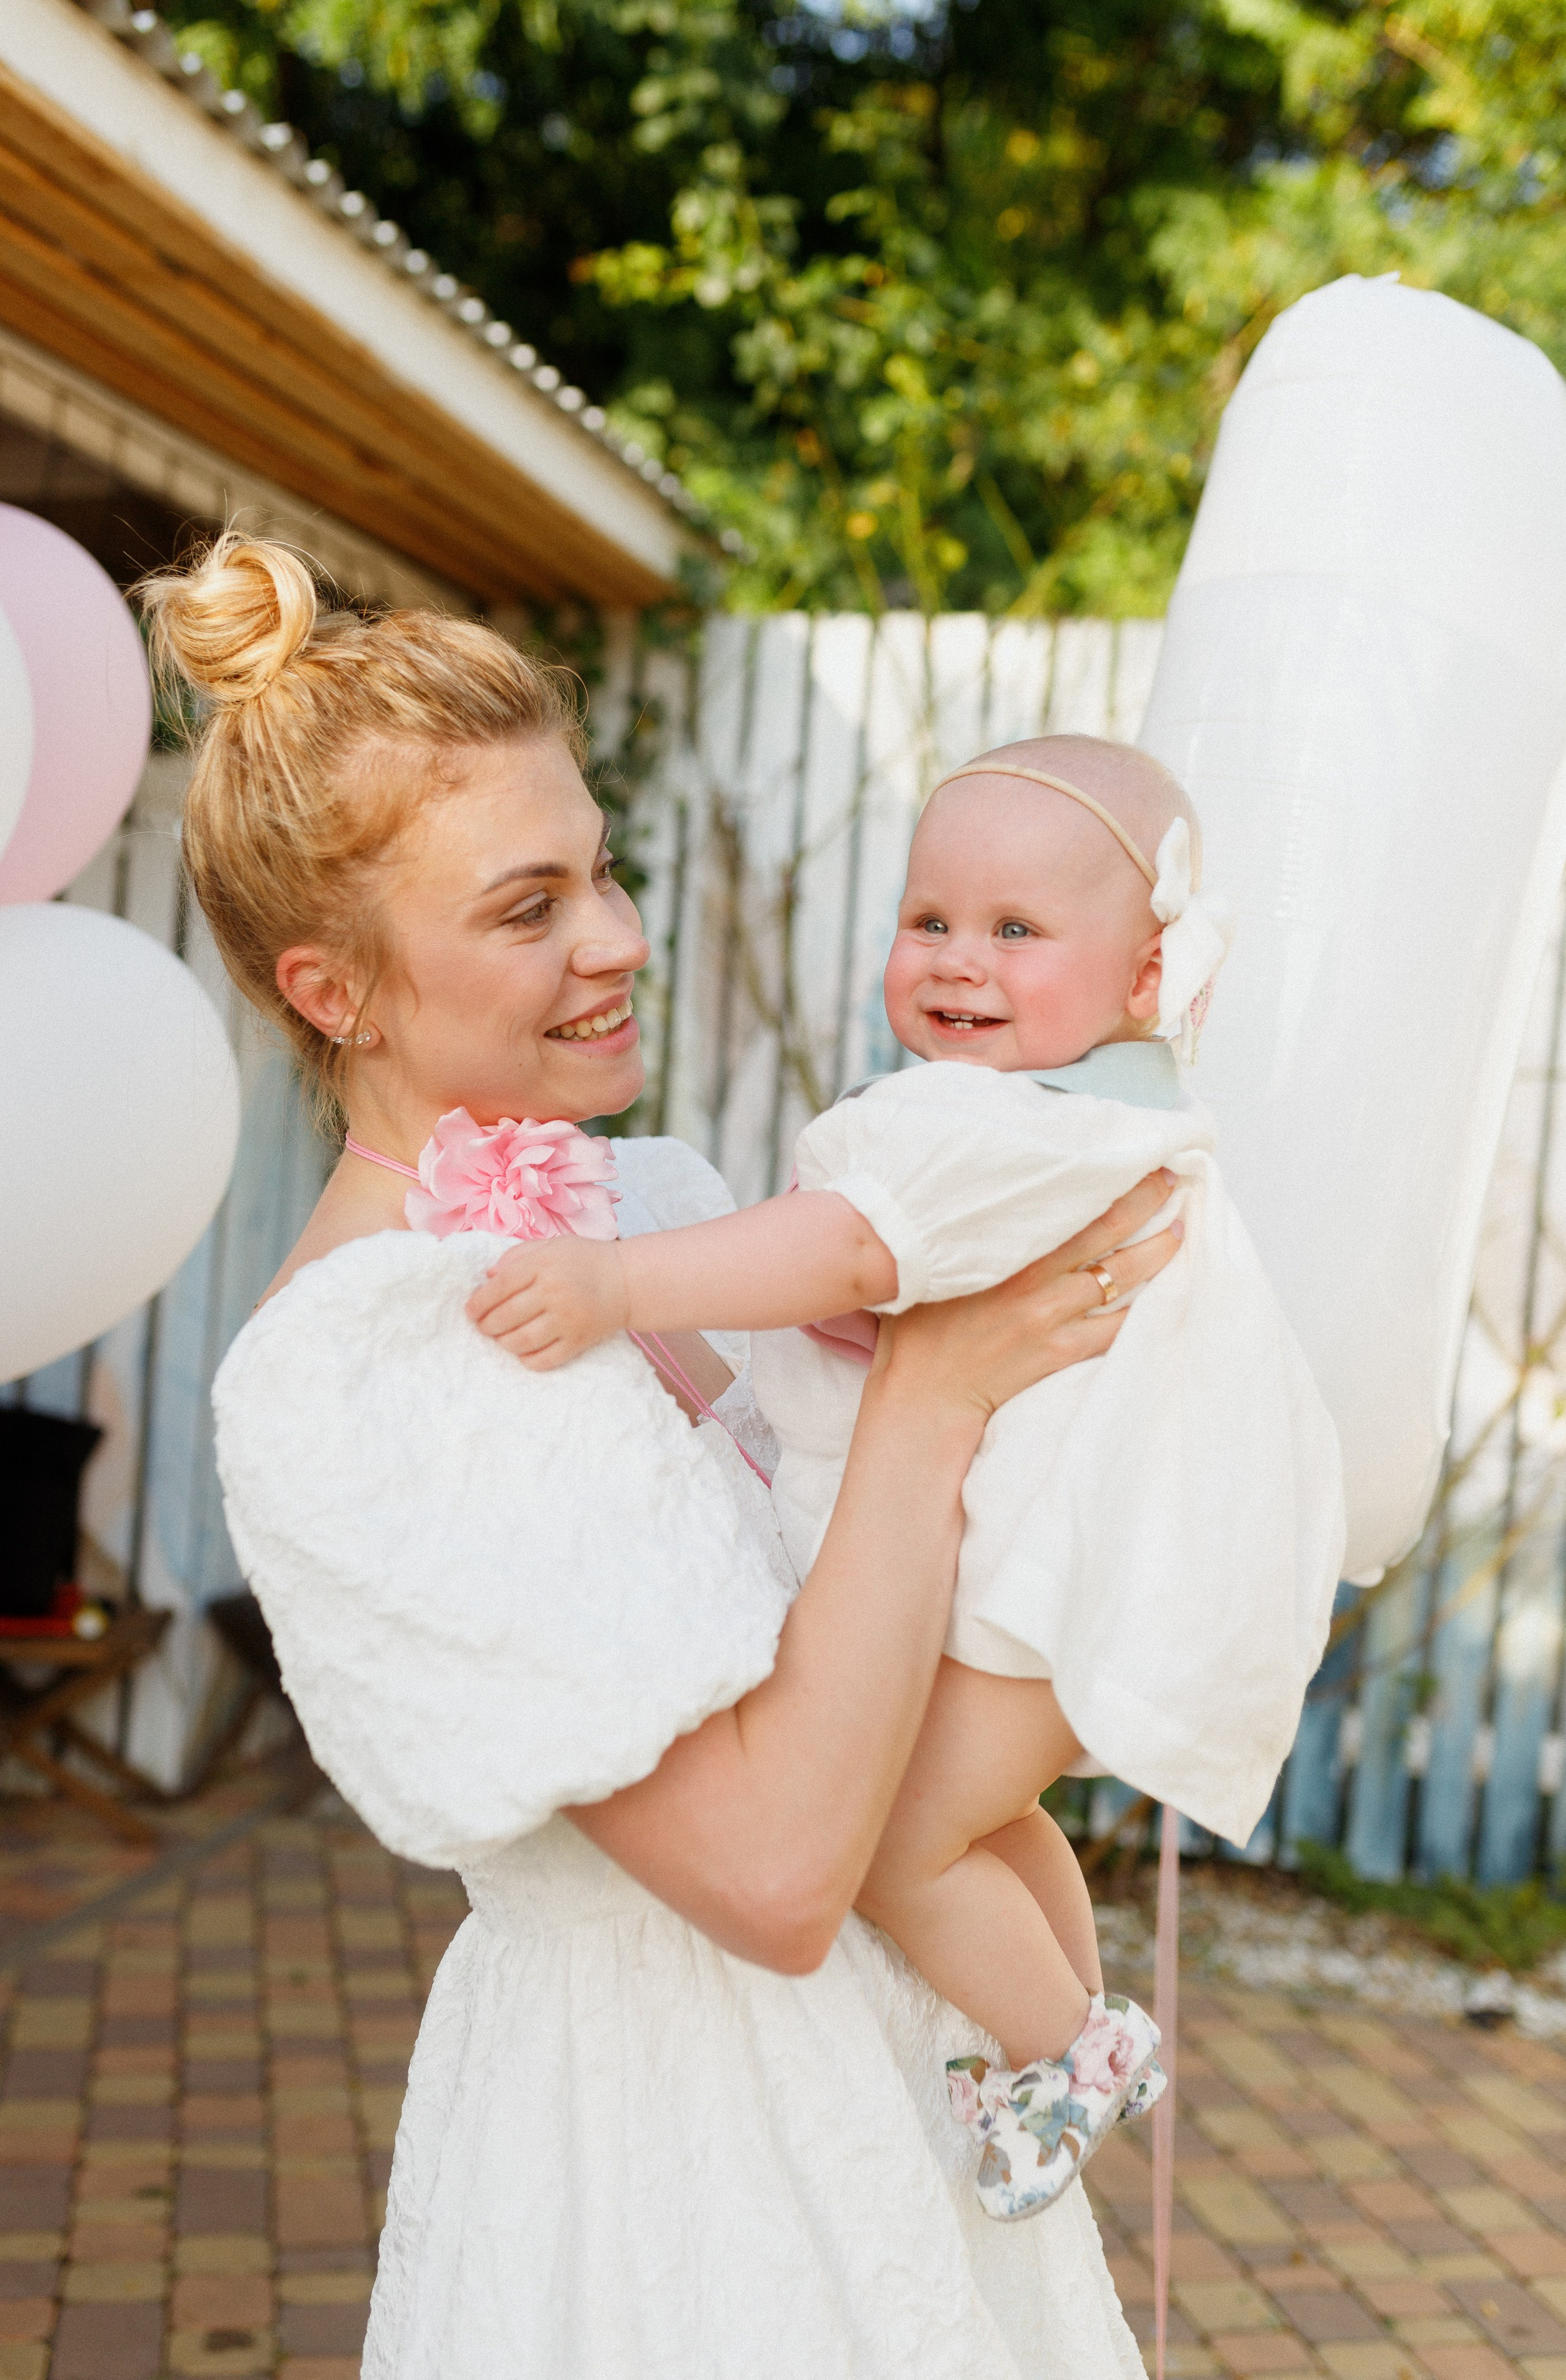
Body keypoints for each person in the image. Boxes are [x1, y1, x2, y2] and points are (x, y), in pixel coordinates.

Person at [141, 533, 1180, 2378]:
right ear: (334, 991)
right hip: (673, 2169)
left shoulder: (668, 1210)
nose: (616, 937)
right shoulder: (358, 1370)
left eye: (601, 868)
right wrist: (937, 1396)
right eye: (527, 906)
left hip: (908, 2094)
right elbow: (776, 1873)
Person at [465, 736, 1345, 2219]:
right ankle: (1071, 2015)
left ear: (1142, 976)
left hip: (1034, 1579)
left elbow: (849, 1246)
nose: (959, 962)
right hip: (1079, 1576)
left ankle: (1066, 2044)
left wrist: (619, 1284)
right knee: (987, 1820)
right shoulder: (1095, 1117)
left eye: (1015, 931)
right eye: (930, 920)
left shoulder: (978, 1122)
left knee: (884, 1834)